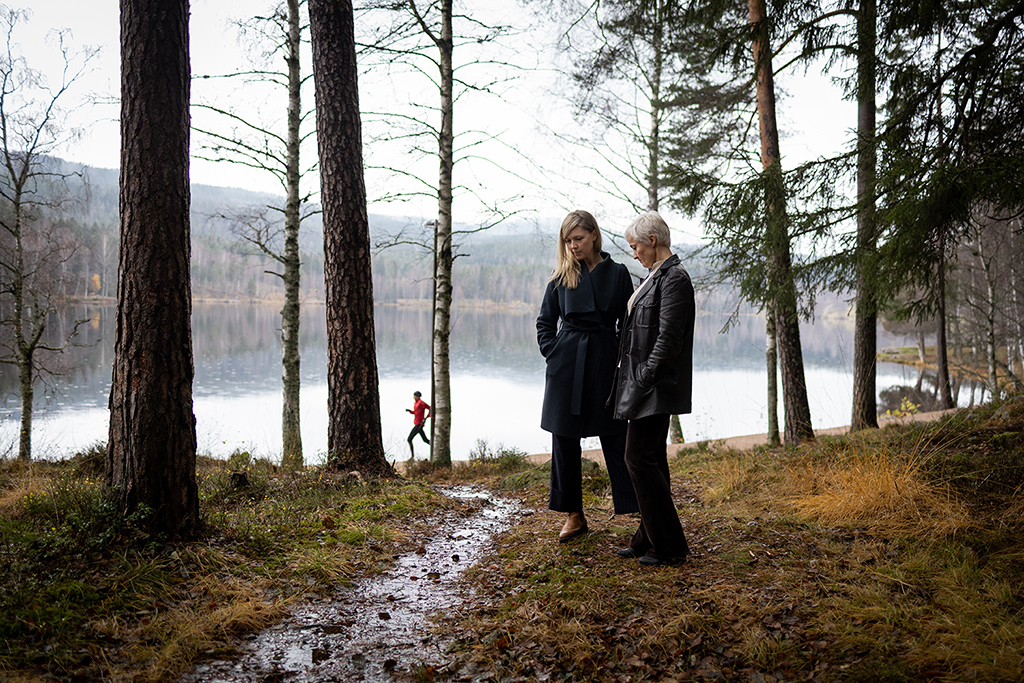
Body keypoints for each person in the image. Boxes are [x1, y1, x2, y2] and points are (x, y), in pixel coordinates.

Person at [537, 209, 640, 543]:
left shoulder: (619, 273)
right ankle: (574, 515)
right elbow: (544, 322)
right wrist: (553, 352)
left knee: (615, 435)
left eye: (578, 239)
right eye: (567, 241)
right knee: (565, 439)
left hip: (605, 359)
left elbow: (628, 324)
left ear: (594, 234)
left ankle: (638, 510)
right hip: (566, 364)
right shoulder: (562, 276)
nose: (573, 246)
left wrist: (624, 363)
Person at [609, 211, 695, 566]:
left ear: (652, 241)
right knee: (652, 460)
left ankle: (670, 546)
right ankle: (647, 539)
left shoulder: (674, 279)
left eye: (635, 246)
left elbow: (668, 339)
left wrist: (643, 378)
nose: (633, 253)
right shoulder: (655, 277)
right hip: (646, 384)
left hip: (654, 387)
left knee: (637, 459)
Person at [406, 391, 431, 459]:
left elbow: (430, 408)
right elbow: (416, 412)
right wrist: (410, 411)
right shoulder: (416, 403)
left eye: (414, 396)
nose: (413, 397)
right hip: (417, 423)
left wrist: (426, 417)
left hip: (419, 424)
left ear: (417, 397)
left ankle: (412, 457)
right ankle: (435, 446)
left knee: (409, 439)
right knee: (425, 440)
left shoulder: (421, 403)